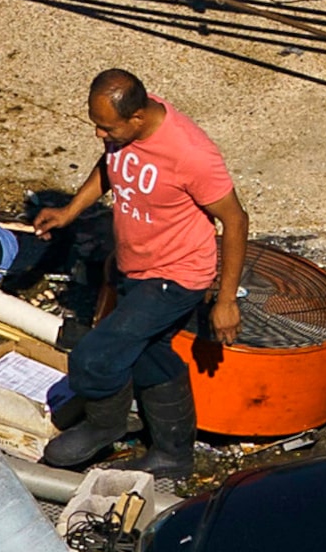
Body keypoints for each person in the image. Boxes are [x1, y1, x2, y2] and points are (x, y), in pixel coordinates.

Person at [30, 69, 246, 481]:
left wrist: (226, 299)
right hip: (135, 266)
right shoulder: (123, 135)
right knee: (149, 354)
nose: (99, 135)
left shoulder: (191, 154)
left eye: (106, 127)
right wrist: (70, 211)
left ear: (138, 119)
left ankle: (106, 424)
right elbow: (111, 166)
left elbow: (235, 221)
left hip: (178, 275)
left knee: (96, 355)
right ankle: (172, 455)